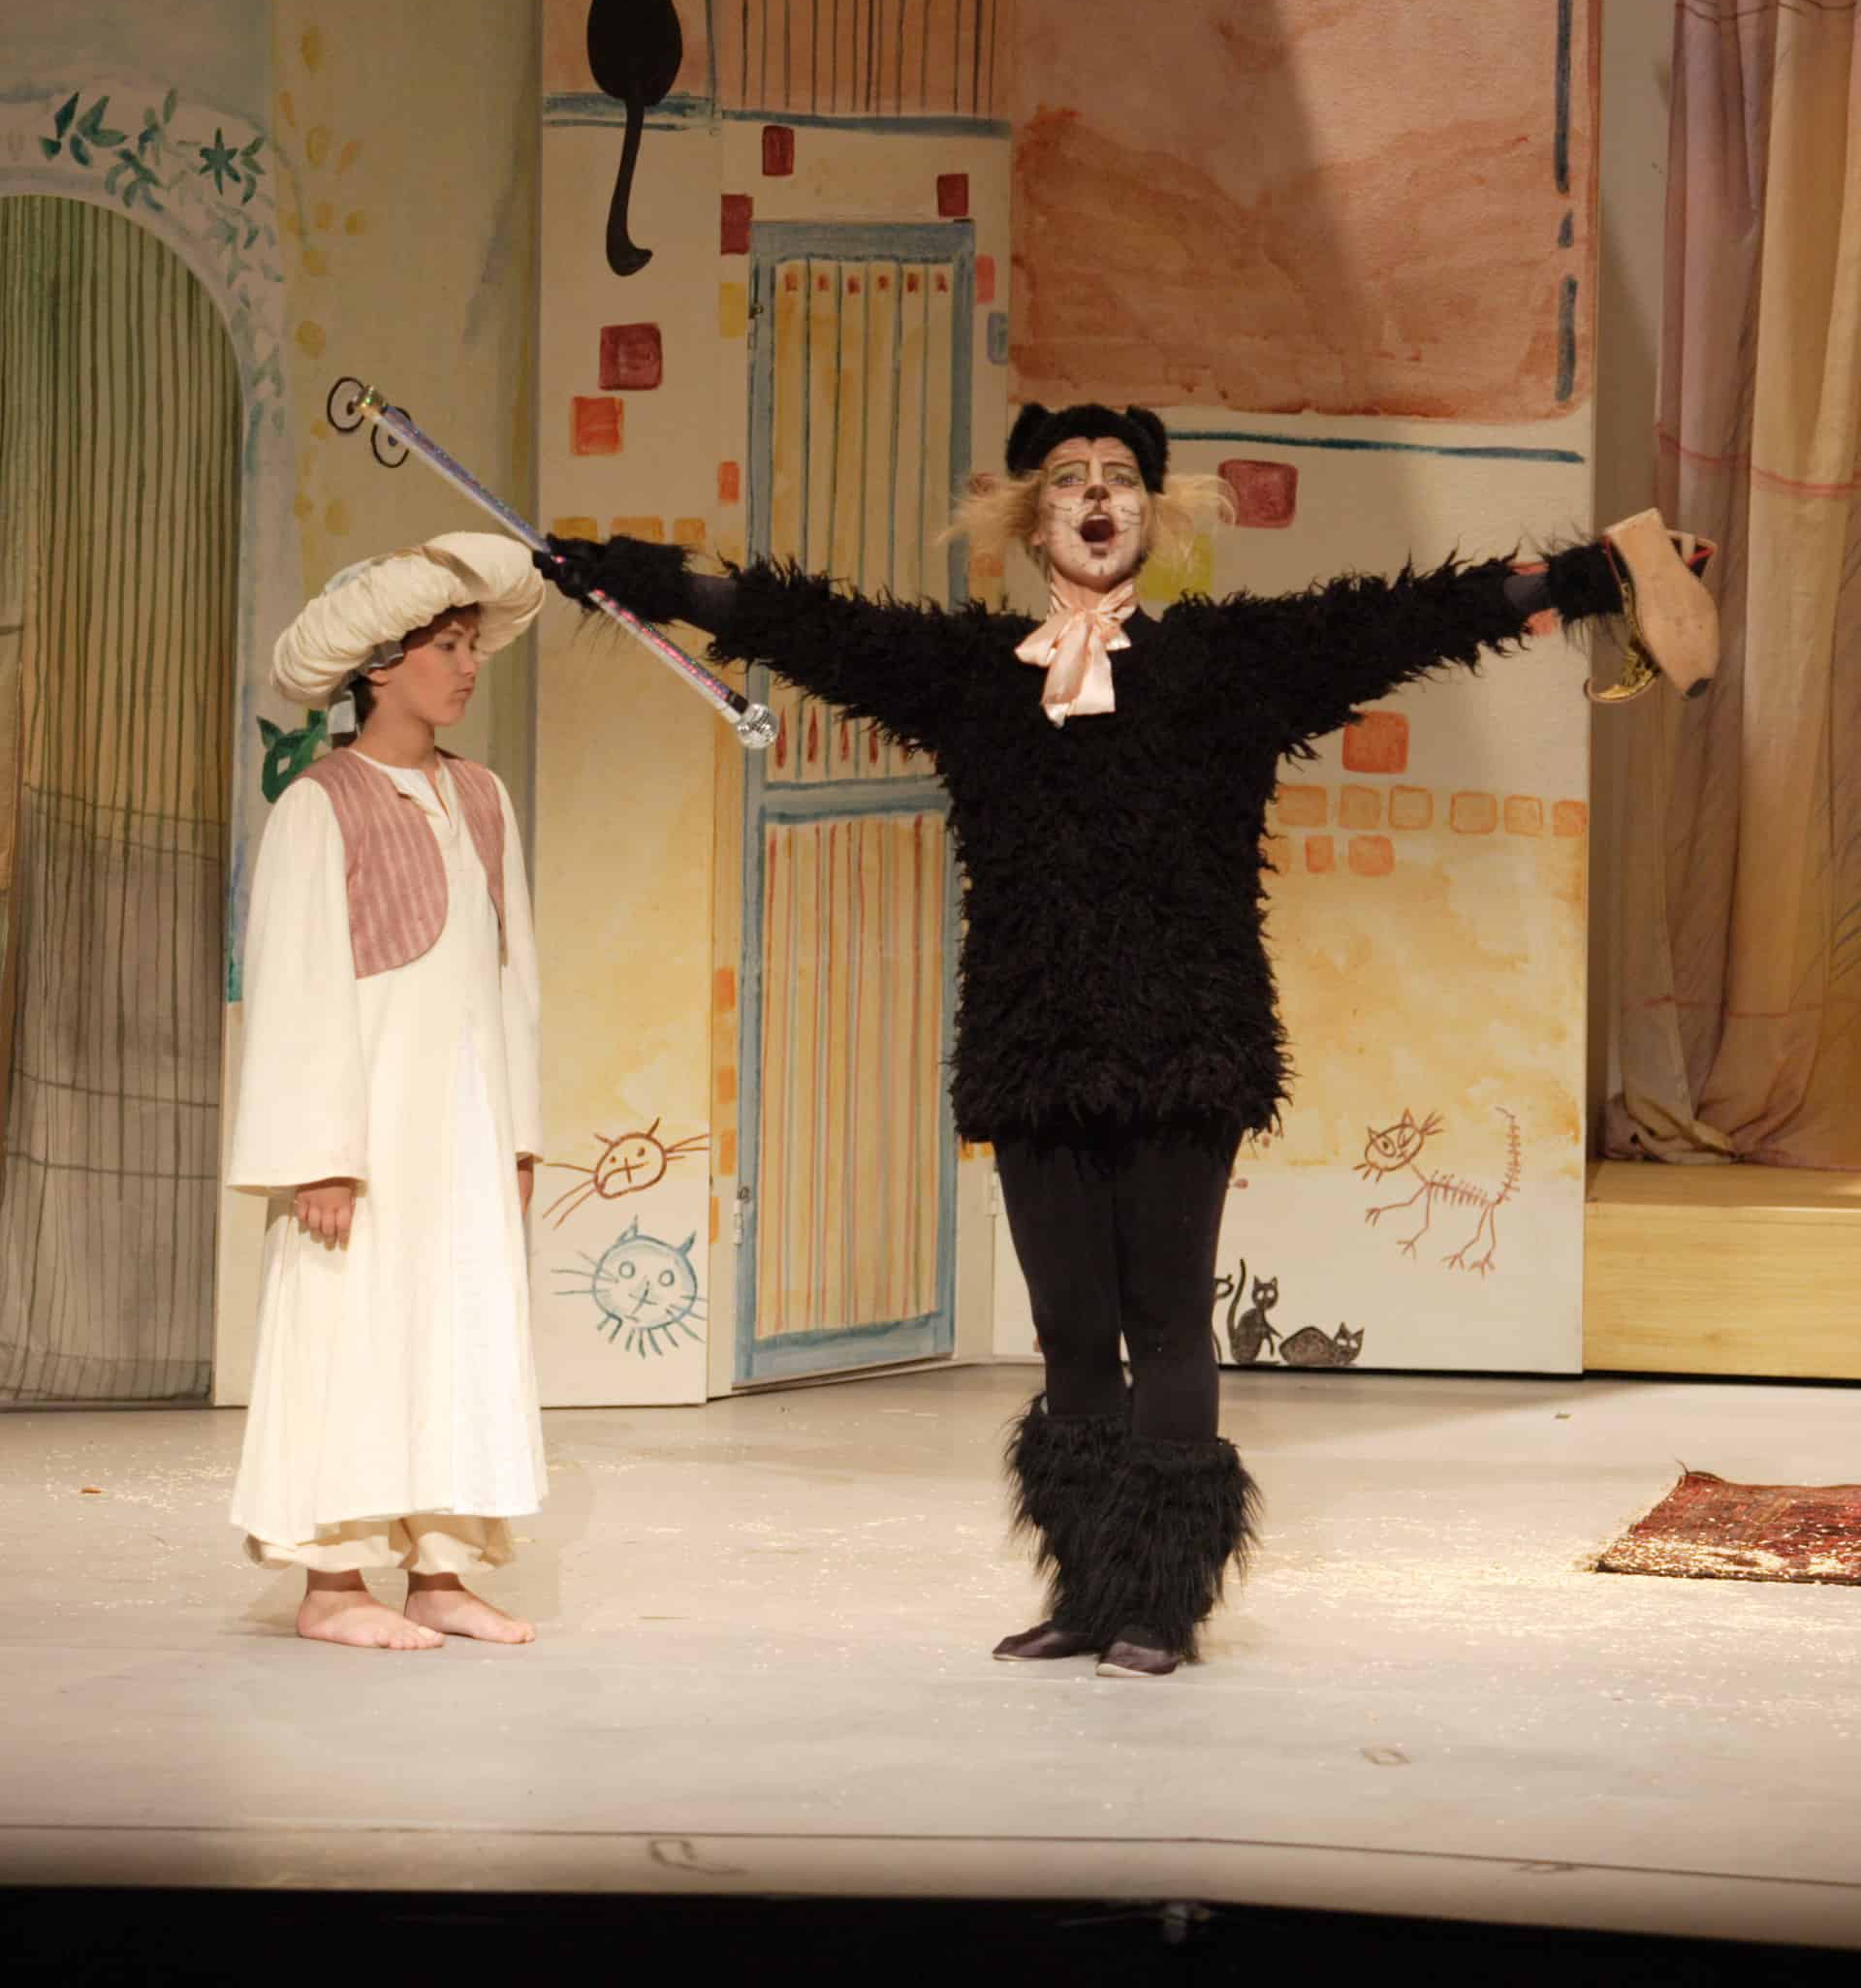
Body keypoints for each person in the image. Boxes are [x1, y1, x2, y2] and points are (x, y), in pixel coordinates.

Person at [537, 411, 1716, 1677]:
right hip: (1035, 1044)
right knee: (1068, 1330)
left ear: (1156, 513)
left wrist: (1585, 575)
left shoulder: (1231, 663)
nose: (1096, 497)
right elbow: (806, 624)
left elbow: (1409, 619)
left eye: (1119, 480)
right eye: (1069, 481)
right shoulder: (970, 673)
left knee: (1165, 1321)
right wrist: (641, 578)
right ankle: (1092, 1589)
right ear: (1028, 516)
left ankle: (1161, 1601)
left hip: (1184, 1038)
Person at [228, 534, 549, 1652]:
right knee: (353, 1329)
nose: (467, 666)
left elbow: (513, 978)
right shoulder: (322, 804)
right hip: (363, 1134)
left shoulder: (483, 796)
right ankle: (332, 1583)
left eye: (471, 645)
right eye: (445, 647)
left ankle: (440, 1569)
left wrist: (518, 1135)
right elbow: (293, 987)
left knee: (458, 1327)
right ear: (379, 666)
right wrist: (318, 1153)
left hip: (461, 1123)